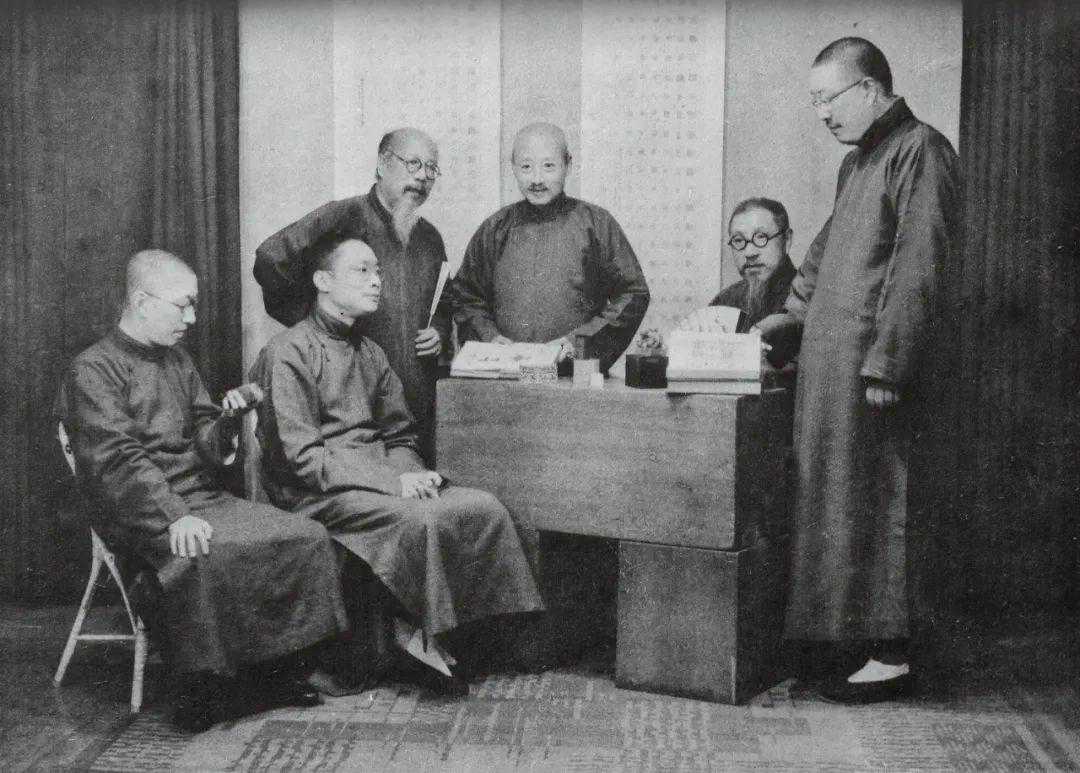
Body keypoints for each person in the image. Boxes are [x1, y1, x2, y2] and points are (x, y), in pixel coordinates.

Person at [61, 249, 348, 731]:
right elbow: (118, 461)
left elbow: (205, 441)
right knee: (201, 553)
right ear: (141, 302)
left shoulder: (178, 360)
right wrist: (173, 516)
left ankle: (275, 673)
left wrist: (228, 419)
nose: (192, 319)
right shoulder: (91, 370)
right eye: (183, 306)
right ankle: (205, 689)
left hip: (201, 499)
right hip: (138, 508)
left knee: (307, 536)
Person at [756, 37, 961, 701]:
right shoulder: (857, 163)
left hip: (873, 374)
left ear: (870, 88)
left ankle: (891, 653)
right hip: (831, 373)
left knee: (881, 504)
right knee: (834, 503)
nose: (822, 114)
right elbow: (822, 260)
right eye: (814, 101)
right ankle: (842, 643)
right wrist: (786, 318)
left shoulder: (921, 150)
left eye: (829, 98)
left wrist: (889, 366)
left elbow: (919, 264)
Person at [250, 234, 544, 695]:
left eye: (378, 272)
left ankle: (481, 639)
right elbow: (302, 459)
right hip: (317, 491)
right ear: (322, 281)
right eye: (362, 271)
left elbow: (400, 434)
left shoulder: (370, 352)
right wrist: (393, 483)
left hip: (381, 479)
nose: (376, 282)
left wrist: (411, 474)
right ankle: (421, 640)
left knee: (483, 506)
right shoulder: (287, 352)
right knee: (420, 519)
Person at [254, 128, 449, 463]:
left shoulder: (430, 237)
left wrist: (440, 330)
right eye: (413, 164)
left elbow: (445, 299)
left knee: (417, 474)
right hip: (348, 397)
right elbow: (271, 260)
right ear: (382, 164)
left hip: (415, 398)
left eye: (431, 169)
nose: (422, 177)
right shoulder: (342, 217)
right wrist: (321, 325)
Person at [450, 122, 650, 374]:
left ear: (568, 165)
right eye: (526, 167)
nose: (537, 179)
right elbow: (465, 295)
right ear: (513, 167)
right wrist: (489, 338)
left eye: (548, 166)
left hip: (574, 376)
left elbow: (633, 293)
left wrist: (578, 343)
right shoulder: (495, 229)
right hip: (508, 377)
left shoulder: (596, 224)